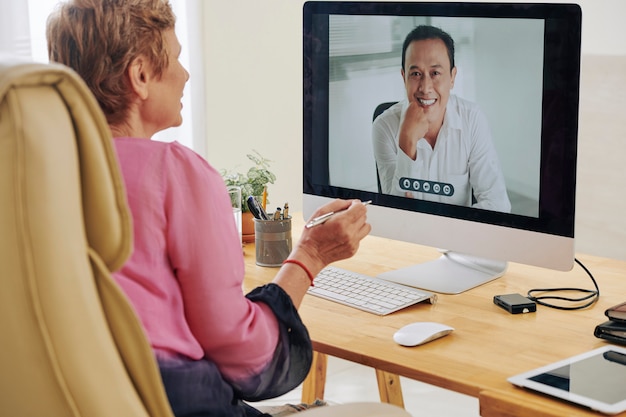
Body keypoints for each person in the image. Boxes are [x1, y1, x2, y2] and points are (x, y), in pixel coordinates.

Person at [46, 1, 372, 416]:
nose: (185, 74)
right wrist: (309, 255)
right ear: (140, 75)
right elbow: (245, 355)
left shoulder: (36, 170)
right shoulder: (174, 173)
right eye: (177, 58)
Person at [372, 25, 511, 212]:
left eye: (435, 73)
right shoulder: (384, 126)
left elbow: (498, 204)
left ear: (452, 77)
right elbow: (394, 213)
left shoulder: (472, 119)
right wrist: (406, 142)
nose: (425, 87)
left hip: (458, 236)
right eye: (415, 74)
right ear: (403, 77)